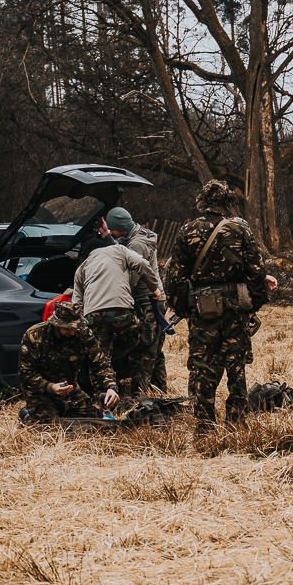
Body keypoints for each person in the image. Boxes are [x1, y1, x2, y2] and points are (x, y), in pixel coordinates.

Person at [164, 180, 272, 425]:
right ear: (226, 204)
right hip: (236, 311)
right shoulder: (240, 230)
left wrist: (185, 309)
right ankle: (237, 421)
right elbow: (256, 272)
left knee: (203, 368)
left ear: (203, 203)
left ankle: (204, 423)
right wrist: (252, 306)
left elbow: (175, 277)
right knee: (237, 368)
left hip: (203, 311)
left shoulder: (187, 230)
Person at [71, 227, 163, 400]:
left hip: (93, 316)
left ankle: (102, 396)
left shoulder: (82, 268)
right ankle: (138, 392)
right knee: (139, 343)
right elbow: (142, 264)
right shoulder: (118, 250)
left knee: (99, 357)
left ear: (88, 253)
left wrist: (82, 331)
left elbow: (77, 304)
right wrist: (154, 288)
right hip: (120, 311)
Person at [102, 206, 168, 395]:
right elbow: (119, 250)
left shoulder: (137, 245)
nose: (112, 233)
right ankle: (160, 389)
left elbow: (130, 279)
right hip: (150, 298)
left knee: (146, 348)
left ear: (121, 227)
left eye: (113, 230)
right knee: (155, 347)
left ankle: (141, 394)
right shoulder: (135, 235)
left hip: (149, 301)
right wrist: (107, 236)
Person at [17, 299, 119, 422]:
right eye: (67, 328)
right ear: (56, 324)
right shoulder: (34, 335)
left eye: (75, 327)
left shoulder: (84, 334)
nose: (72, 332)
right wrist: (50, 387)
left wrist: (111, 387)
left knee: (94, 420)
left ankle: (62, 410)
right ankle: (27, 414)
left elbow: (101, 363)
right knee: (49, 426)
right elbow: (25, 374)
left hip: (70, 389)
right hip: (40, 391)